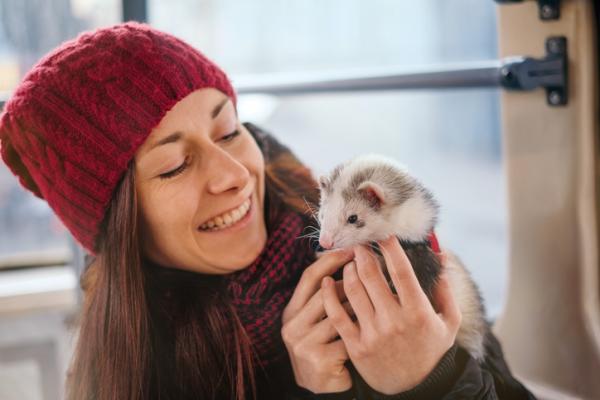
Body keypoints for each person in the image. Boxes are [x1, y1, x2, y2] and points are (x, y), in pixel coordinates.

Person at [0, 22, 536, 400]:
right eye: (173, 166)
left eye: (230, 130)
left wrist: (435, 378)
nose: (234, 174)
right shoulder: (131, 372)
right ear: (119, 228)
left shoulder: (365, 241)